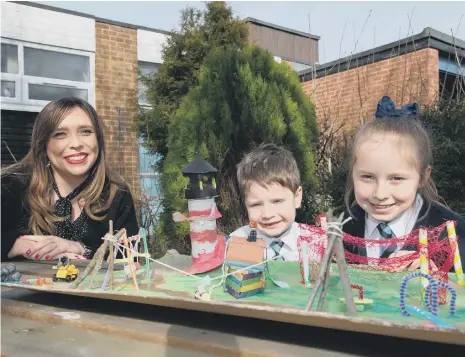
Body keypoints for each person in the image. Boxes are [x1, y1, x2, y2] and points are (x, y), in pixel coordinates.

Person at [1, 97, 139, 262]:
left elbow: (131, 260)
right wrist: (14, 245)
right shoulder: (11, 186)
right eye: (60, 134)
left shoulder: (116, 194)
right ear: (43, 144)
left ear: (99, 140)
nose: (76, 143)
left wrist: (80, 249)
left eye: (85, 131)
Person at [342, 98, 465, 271]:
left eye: (396, 178)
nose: (380, 194)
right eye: (368, 177)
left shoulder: (452, 234)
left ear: (422, 176)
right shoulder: (343, 229)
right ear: (352, 172)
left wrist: (441, 280)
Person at [229, 144, 303, 261]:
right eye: (256, 204)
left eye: (277, 201)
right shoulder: (236, 243)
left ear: (297, 197)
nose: (267, 214)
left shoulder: (314, 242)